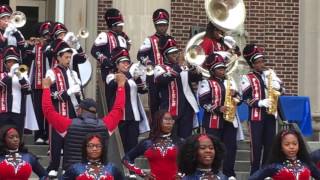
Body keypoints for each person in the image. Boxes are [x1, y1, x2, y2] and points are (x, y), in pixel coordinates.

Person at [42, 71, 126, 171]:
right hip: (96, 173)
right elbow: (118, 109)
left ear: (80, 110)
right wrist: (121, 86)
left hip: (73, 173)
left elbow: (48, 110)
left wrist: (46, 88)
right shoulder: (105, 125)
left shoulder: (68, 125)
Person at [240, 44, 284, 175]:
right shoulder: (246, 78)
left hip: (270, 115)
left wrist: (278, 87)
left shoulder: (270, 73)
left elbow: (281, 90)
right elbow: (245, 99)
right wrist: (260, 102)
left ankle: (266, 172)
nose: (261, 64)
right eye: (258, 62)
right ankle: (254, 173)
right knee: (256, 147)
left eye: (262, 61)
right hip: (256, 117)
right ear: (252, 64)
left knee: (270, 146)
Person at [198, 52, 242, 179]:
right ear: (212, 70)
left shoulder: (230, 82)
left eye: (223, 68)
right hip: (213, 122)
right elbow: (203, 103)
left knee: (230, 148)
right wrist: (218, 108)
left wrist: (235, 96)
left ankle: (229, 174)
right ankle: (212, 173)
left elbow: (240, 100)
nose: (222, 70)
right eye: (219, 68)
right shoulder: (206, 83)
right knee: (213, 148)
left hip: (230, 120)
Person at [45, 39, 83, 177]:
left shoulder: (73, 73)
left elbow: (78, 95)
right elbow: (49, 94)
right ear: (59, 58)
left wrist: (78, 92)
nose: (68, 60)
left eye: (70, 57)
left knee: (70, 141)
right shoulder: (51, 73)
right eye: (66, 57)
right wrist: (68, 92)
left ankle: (68, 166)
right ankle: (53, 166)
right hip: (58, 112)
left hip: (73, 112)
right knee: (56, 140)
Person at [154, 36, 201, 138]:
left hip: (187, 108)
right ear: (165, 55)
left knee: (185, 140)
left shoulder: (183, 67)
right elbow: (163, 79)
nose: (175, 55)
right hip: (170, 109)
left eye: (176, 52)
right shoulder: (159, 68)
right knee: (171, 139)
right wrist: (179, 66)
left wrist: (192, 67)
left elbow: (197, 78)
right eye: (172, 53)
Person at [106, 47, 149, 153]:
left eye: (127, 62)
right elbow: (113, 85)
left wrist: (139, 77)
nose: (126, 65)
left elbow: (143, 90)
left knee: (132, 145)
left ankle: (131, 167)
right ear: (117, 65)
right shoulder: (111, 76)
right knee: (122, 146)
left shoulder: (131, 78)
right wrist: (129, 75)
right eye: (123, 63)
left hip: (134, 116)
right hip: (121, 117)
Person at [122, 110, 182, 179]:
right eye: (166, 119)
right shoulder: (147, 143)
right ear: (158, 121)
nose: (169, 122)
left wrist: (181, 174)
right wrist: (143, 173)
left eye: (171, 120)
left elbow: (192, 161)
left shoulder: (179, 142)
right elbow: (126, 159)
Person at [91, 8, 131, 110]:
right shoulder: (104, 35)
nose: (122, 27)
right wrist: (105, 60)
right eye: (119, 25)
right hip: (110, 75)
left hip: (123, 74)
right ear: (113, 25)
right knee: (112, 102)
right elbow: (94, 50)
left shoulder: (122, 38)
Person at [137, 8, 170, 121]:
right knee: (154, 107)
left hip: (168, 78)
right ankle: (154, 132)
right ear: (155, 26)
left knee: (167, 106)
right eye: (159, 25)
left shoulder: (170, 40)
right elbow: (140, 55)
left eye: (164, 25)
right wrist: (150, 63)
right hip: (154, 80)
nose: (162, 27)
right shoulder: (149, 40)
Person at [23, 21, 53, 145]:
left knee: (48, 110)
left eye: (48, 35)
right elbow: (25, 60)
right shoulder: (34, 46)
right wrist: (30, 46)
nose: (46, 38)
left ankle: (47, 134)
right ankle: (39, 135)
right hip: (36, 83)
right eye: (44, 35)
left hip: (50, 84)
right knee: (38, 111)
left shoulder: (51, 47)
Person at [249, 129, 320, 180]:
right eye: (287, 144)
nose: (291, 147)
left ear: (299, 145)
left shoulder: (307, 164)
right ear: (280, 147)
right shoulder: (274, 166)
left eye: (294, 144)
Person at [0, 46, 30, 134]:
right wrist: (10, 75)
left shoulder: (23, 74)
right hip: (3, 110)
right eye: (9, 62)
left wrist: (20, 76)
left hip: (18, 110)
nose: (12, 64)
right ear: (5, 64)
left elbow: (27, 90)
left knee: (18, 135)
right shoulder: (2, 75)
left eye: (14, 62)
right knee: (2, 135)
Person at [0, 4, 26, 72]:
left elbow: (22, 46)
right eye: (3, 18)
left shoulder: (15, 31)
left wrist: (16, 32)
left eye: (8, 18)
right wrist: (5, 35)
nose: (6, 20)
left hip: (14, 65)